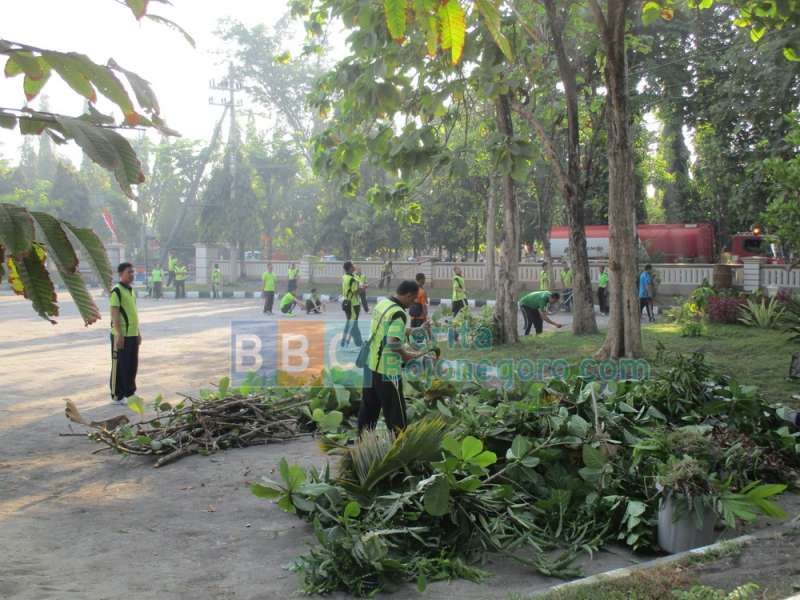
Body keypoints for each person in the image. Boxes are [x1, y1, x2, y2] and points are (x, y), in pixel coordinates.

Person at [358, 280, 433, 433]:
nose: (413, 303)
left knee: (369, 409)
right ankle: (399, 447)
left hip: (371, 365)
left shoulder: (383, 304)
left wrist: (416, 329)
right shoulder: (399, 313)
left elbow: (388, 330)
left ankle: (363, 443)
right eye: (413, 299)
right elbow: (393, 343)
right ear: (408, 295)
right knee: (395, 413)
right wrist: (408, 356)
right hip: (388, 371)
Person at [109, 262, 141, 405]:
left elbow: (133, 313)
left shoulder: (131, 290)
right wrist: (118, 334)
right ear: (121, 274)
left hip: (132, 334)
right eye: (129, 272)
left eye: (133, 272)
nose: (132, 275)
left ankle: (130, 392)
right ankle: (117, 395)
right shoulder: (116, 291)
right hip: (121, 335)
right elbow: (114, 314)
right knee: (120, 365)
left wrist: (138, 332)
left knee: (132, 365)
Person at [341, 261, 363, 347]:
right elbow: (355, 292)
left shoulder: (345, 277)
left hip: (346, 302)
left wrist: (360, 286)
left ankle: (344, 342)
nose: (355, 266)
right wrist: (362, 289)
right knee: (353, 324)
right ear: (350, 268)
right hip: (353, 304)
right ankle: (358, 343)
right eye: (353, 265)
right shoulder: (352, 279)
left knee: (349, 323)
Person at [409, 272, 430, 343]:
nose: (425, 281)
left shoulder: (412, 289)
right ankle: (418, 351)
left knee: (412, 335)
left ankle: (412, 349)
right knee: (419, 338)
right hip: (420, 317)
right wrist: (425, 316)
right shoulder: (422, 291)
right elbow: (424, 305)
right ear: (421, 280)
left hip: (412, 316)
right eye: (424, 279)